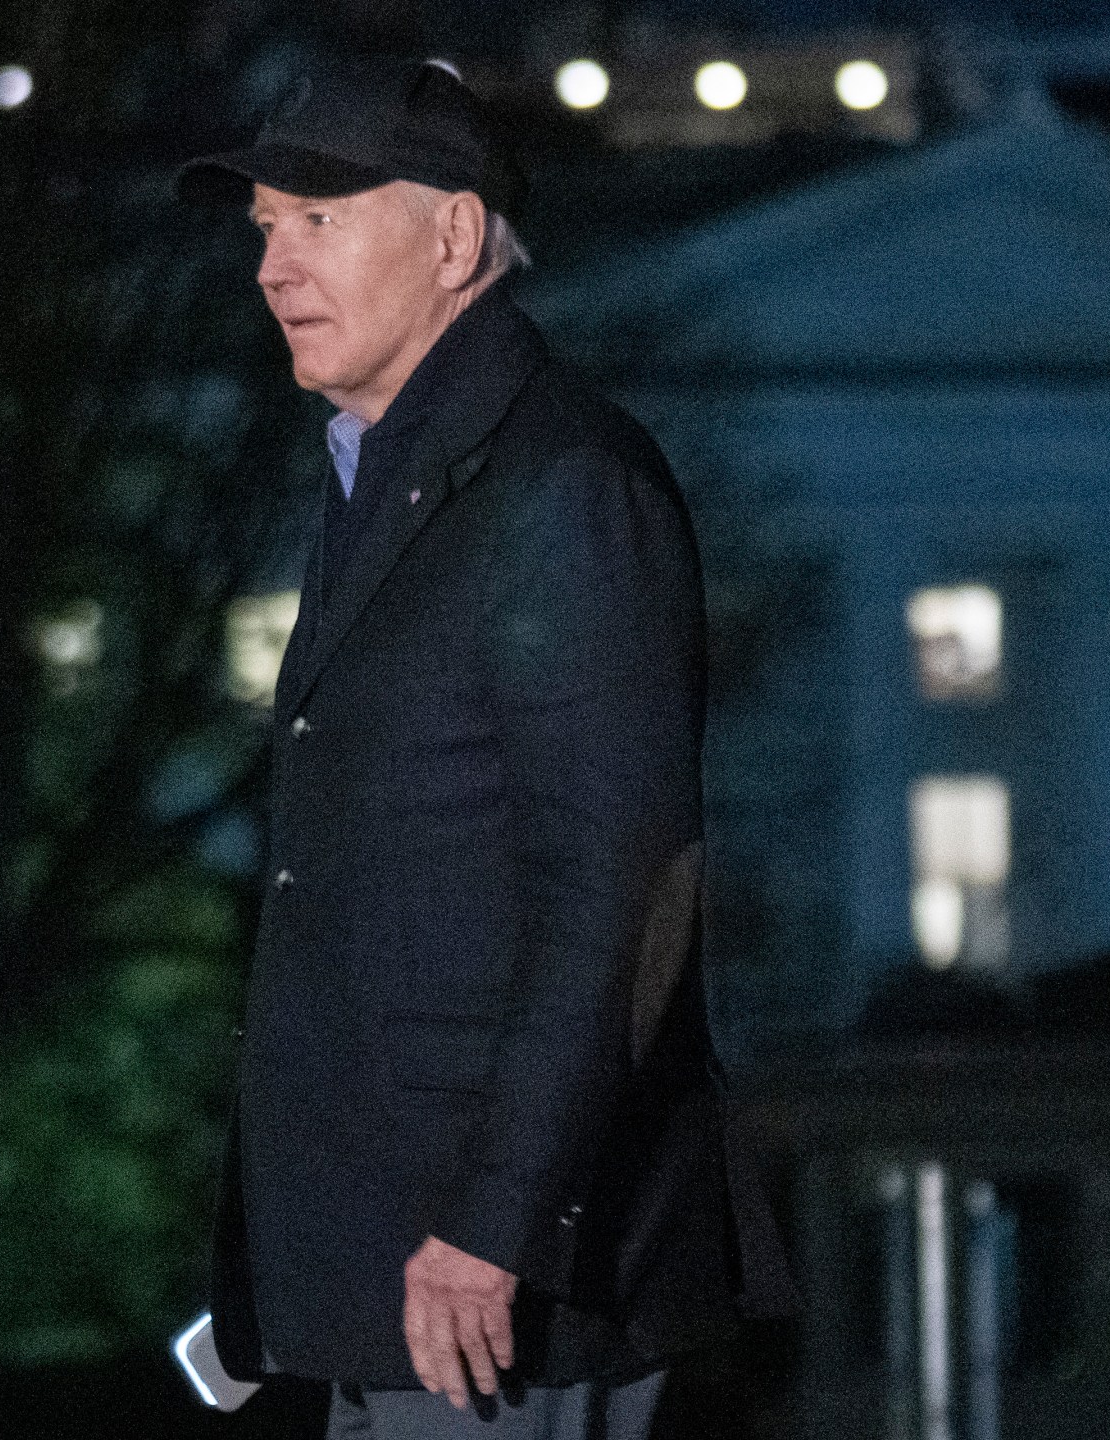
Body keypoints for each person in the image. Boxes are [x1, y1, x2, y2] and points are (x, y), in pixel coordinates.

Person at [179, 56, 795, 1438]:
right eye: (265, 227)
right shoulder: (391, 473)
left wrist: (496, 1221)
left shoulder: (563, 486)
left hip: (493, 1291)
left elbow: (626, 882)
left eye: (319, 221)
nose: (274, 264)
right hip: (406, 1278)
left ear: (452, 237)